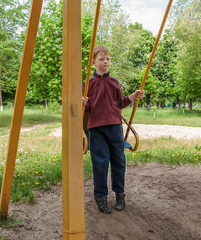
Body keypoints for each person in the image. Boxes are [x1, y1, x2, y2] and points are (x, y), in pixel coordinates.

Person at [82, 45, 145, 214]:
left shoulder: (114, 82)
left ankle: (119, 194)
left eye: (108, 59)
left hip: (115, 126)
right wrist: (82, 103)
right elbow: (86, 110)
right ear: (94, 62)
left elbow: (119, 104)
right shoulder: (88, 84)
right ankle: (100, 196)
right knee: (100, 163)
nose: (105, 62)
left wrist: (132, 97)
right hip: (96, 128)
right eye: (101, 59)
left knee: (119, 161)